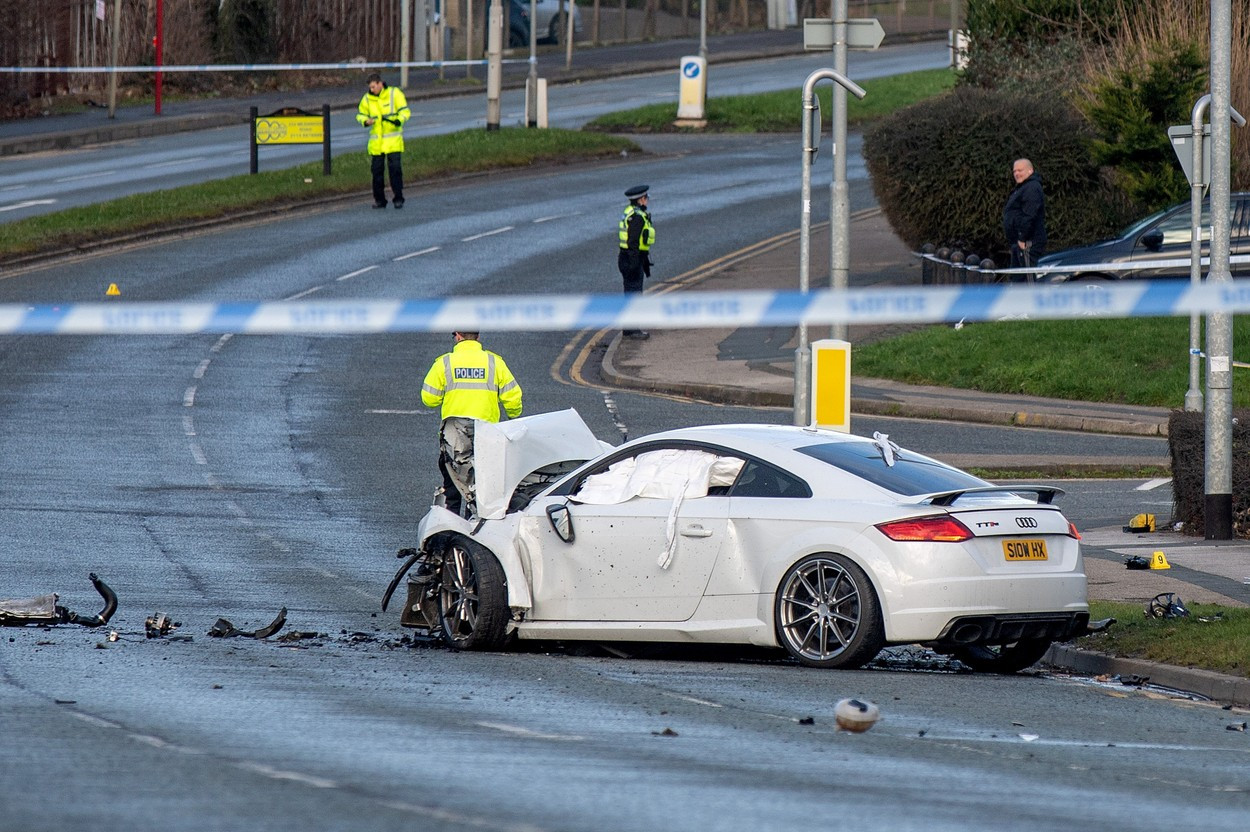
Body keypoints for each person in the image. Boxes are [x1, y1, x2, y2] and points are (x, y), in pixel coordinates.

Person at [420, 332, 523, 517]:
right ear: (477, 336)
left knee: (454, 481)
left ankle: (450, 523)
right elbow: (513, 397)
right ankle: (476, 522)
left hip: (454, 434)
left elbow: (429, 398)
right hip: (487, 432)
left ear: (458, 336)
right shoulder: (494, 362)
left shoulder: (445, 363)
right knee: (483, 482)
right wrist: (513, 415)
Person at [356, 73, 410, 209]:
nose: (372, 89)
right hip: (377, 144)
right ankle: (380, 200)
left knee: (395, 171)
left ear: (380, 83)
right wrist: (365, 121)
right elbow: (360, 114)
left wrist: (399, 120)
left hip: (393, 141)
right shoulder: (367, 99)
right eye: (370, 87)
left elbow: (405, 111)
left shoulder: (394, 93)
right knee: (377, 172)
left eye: (374, 87)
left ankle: (398, 198)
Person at [617, 184, 655, 340]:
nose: (647, 200)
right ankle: (633, 330)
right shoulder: (638, 217)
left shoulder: (630, 211)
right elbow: (633, 241)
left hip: (626, 256)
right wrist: (634, 263)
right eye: (646, 198)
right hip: (632, 257)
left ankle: (628, 328)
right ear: (641, 199)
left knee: (630, 292)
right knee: (634, 293)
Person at [1002, 158, 1046, 272]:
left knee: (1028, 276)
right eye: (1014, 171)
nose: (1016, 174)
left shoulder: (1032, 188)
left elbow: (1030, 215)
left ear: (1030, 170)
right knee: (1017, 277)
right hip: (1018, 243)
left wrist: (1022, 238)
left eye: (1020, 170)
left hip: (1028, 242)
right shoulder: (1022, 188)